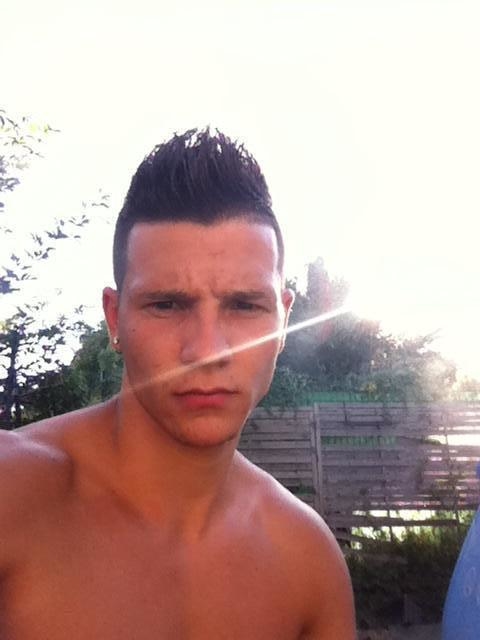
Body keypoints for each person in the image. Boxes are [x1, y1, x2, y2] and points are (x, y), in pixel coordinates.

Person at [0, 129, 356, 639]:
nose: (207, 351)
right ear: (115, 317)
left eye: (244, 305)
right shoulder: (11, 497)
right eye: (166, 304)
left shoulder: (307, 562)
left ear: (282, 321)